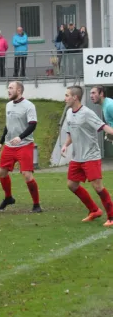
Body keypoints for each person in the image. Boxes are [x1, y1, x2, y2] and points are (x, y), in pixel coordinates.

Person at [62, 86, 113, 227]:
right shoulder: (69, 113)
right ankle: (94, 210)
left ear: (75, 97)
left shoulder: (87, 113)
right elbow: (71, 133)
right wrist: (66, 145)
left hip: (91, 156)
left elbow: (103, 126)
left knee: (98, 187)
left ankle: (112, 217)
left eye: (67, 95)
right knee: (72, 185)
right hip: (77, 157)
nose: (65, 98)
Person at [0, 81, 42, 212]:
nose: (8, 90)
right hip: (10, 146)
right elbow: (8, 126)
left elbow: (32, 125)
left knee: (27, 175)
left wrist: (20, 137)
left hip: (24, 144)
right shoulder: (8, 105)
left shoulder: (29, 106)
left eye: (11, 88)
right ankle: (8, 198)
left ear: (19, 90)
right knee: (1, 172)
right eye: (8, 87)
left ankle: (36, 204)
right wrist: (1, 142)